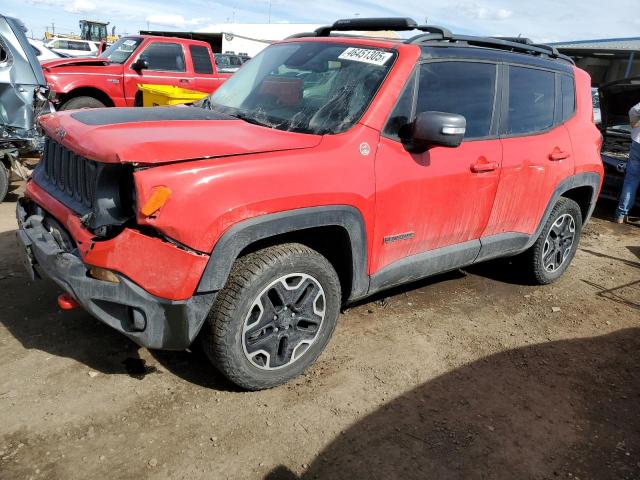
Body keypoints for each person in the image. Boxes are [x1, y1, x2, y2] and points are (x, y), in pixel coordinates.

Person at [615, 101, 640, 223]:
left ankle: (620, 215)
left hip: (638, 143)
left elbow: (633, 110)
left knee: (631, 180)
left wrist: (634, 123)